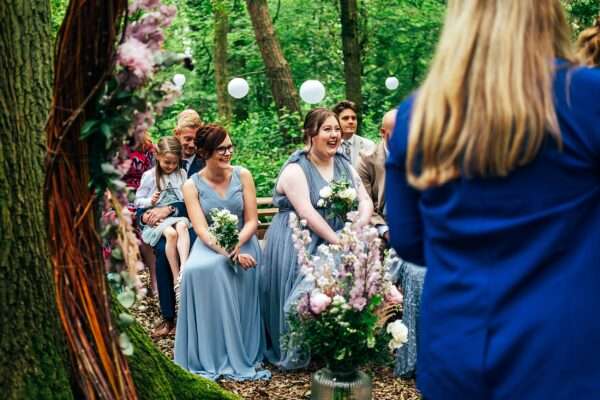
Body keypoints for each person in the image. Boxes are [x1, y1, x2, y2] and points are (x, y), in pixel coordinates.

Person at [386, 1, 600, 398]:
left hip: (455, 347)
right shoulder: (585, 99)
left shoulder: (419, 115)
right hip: (565, 355)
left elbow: (409, 240)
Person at [261, 108, 373, 369]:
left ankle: (339, 344)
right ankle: (301, 349)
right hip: (300, 237)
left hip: (338, 236)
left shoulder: (344, 163)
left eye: (336, 129)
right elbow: (307, 212)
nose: (335, 135)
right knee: (304, 297)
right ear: (311, 134)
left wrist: (357, 227)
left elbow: (365, 200)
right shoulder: (296, 169)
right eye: (328, 130)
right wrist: (339, 242)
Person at [174, 124, 270, 381]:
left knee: (221, 268)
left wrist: (237, 245)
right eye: (221, 149)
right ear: (205, 153)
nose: (228, 153)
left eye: (230, 146)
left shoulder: (243, 175)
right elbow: (202, 230)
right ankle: (207, 350)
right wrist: (230, 253)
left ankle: (239, 346)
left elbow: (252, 220)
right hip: (211, 244)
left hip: (244, 239)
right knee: (197, 269)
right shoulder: (191, 185)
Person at [136, 137, 190, 291]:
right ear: (158, 155)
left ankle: (183, 270)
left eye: (174, 162)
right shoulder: (149, 176)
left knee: (182, 227)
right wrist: (150, 202)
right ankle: (175, 279)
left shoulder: (182, 174)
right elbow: (138, 200)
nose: (171, 166)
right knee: (171, 235)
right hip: (157, 218)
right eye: (167, 162)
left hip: (176, 215)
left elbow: (184, 199)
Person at [357, 109, 396, 242]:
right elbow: (364, 202)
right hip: (380, 224)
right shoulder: (366, 160)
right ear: (383, 133)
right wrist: (385, 231)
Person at [332, 100, 375, 168]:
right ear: (336, 120)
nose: (351, 121)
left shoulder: (368, 145)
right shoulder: (330, 145)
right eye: (345, 118)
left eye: (354, 118)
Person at [174, 109, 204, 176]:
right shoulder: (163, 159)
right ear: (177, 134)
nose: (192, 145)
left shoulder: (206, 163)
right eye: (188, 139)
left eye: (196, 140)